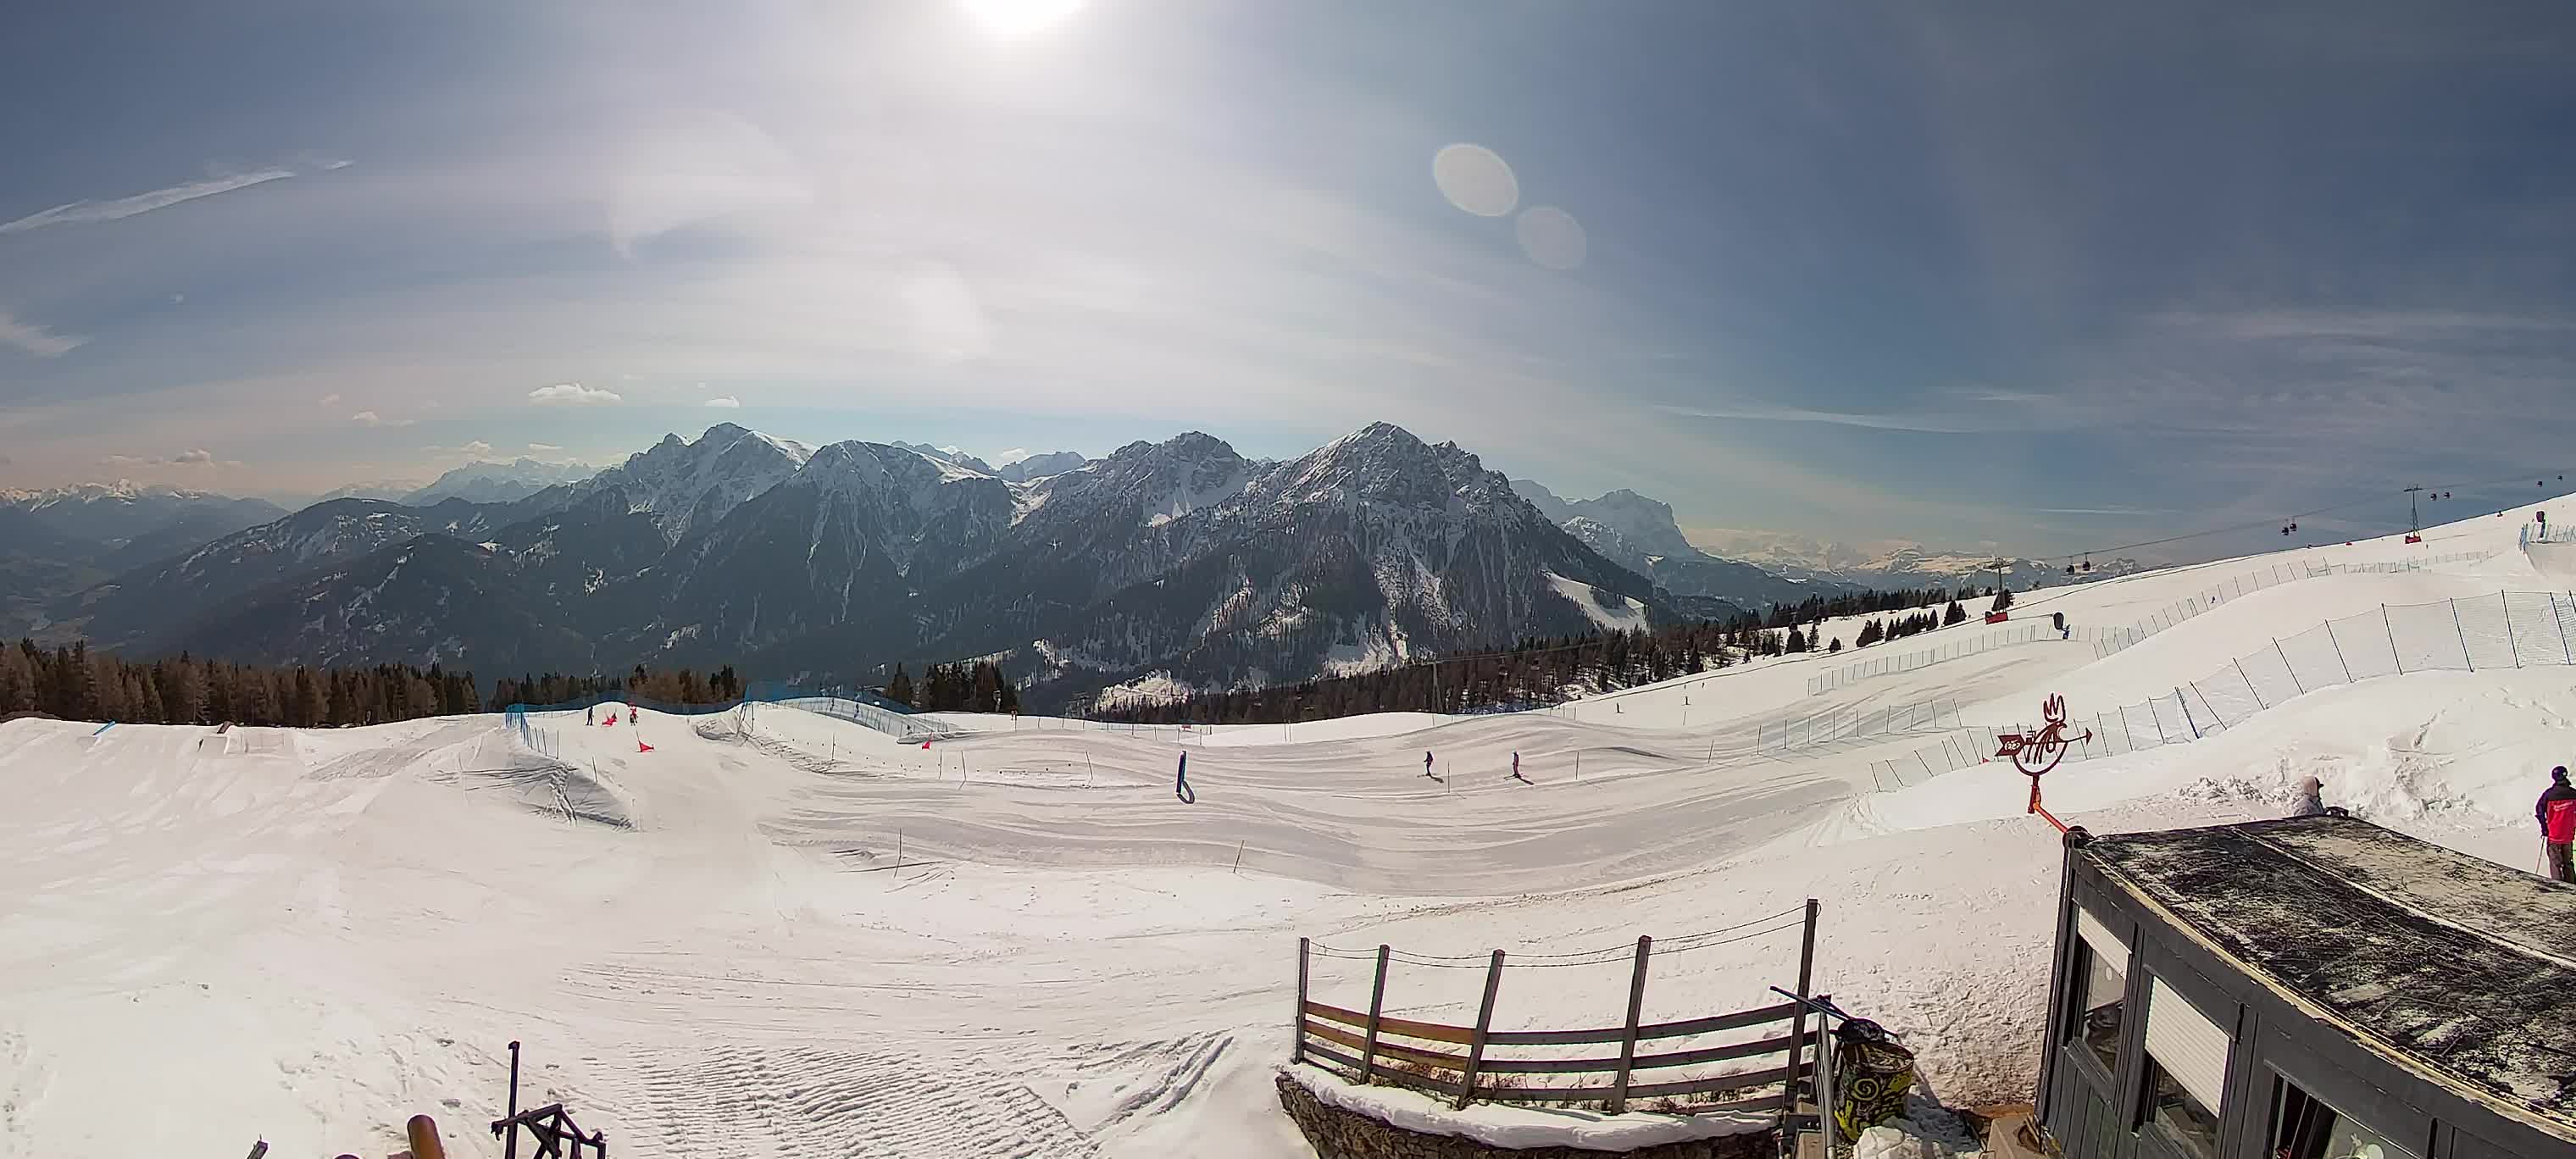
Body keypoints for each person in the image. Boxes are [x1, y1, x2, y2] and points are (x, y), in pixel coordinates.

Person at [2540, 767, 2576, 884]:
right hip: (2568, 834)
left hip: (2553, 834)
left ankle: (2558, 886)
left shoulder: (2549, 795)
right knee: (2568, 862)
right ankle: (2571, 885)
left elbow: (2539, 810)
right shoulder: (2573, 793)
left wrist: (2544, 828)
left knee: (2555, 863)